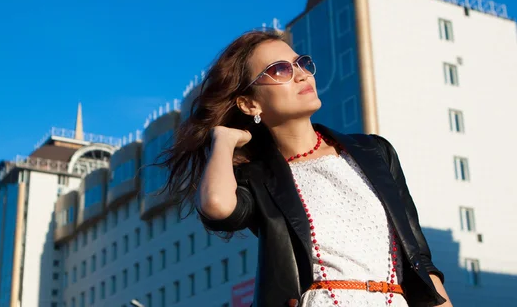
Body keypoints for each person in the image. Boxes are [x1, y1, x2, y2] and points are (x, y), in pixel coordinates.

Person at [160, 30, 452, 307]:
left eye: (301, 63)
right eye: (279, 70)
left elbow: (419, 259)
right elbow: (216, 206)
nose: (301, 74)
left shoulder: (374, 152)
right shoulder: (259, 178)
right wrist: (223, 139)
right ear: (250, 104)